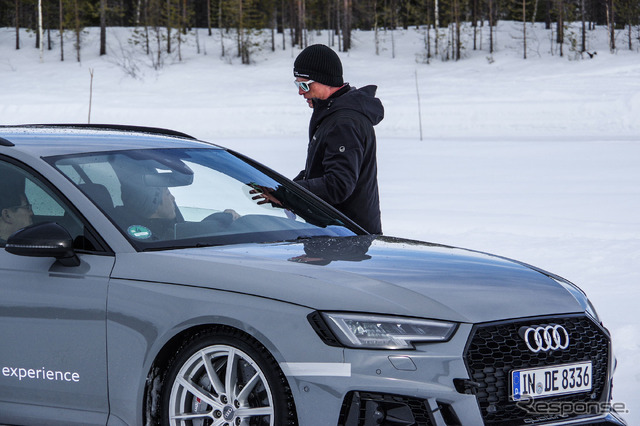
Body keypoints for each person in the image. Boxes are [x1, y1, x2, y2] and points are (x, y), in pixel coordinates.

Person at [292, 44, 384, 234]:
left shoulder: (344, 122)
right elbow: (319, 171)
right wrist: (282, 189)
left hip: (348, 240)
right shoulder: (332, 115)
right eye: (297, 84)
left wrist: (290, 193)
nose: (300, 92)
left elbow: (338, 185)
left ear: (325, 81)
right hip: (337, 236)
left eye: (304, 85)